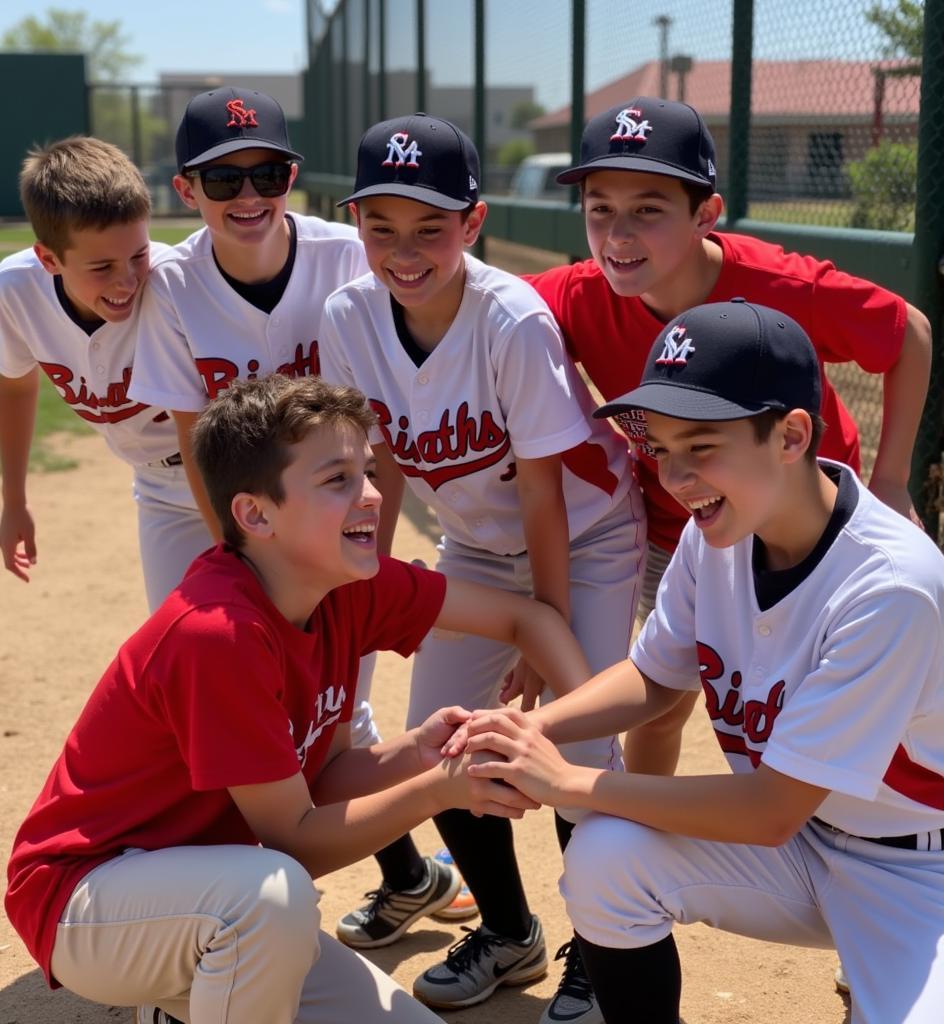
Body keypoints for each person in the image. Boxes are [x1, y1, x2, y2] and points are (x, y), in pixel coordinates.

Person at [4, 373, 597, 1024]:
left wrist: (423, 754)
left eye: (367, 472)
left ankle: (184, 1004)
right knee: (273, 897)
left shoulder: (343, 585)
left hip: (209, 897)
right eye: (337, 479)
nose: (373, 496)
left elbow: (523, 620)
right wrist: (437, 791)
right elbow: (295, 842)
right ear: (256, 515)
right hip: (88, 898)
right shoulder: (218, 633)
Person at [454, 299, 944, 1024]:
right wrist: (526, 732)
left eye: (703, 445)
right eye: (662, 447)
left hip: (916, 869)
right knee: (604, 857)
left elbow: (770, 809)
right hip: (801, 848)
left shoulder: (891, 585)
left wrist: (570, 781)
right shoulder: (720, 527)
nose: (677, 477)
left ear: (791, 434)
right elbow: (654, 678)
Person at [319, 112, 644, 1021]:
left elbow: (543, 495)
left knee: (576, 741)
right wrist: (364, 596)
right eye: (380, 227)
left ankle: (606, 948)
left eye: (430, 227)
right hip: (476, 546)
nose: (404, 250)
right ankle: (510, 931)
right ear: (356, 227)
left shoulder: (510, 319)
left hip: (582, 541)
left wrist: (541, 643)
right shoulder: (348, 316)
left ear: (473, 222)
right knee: (440, 737)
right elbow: (376, 465)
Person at [526, 96, 932, 778]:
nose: (618, 234)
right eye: (600, 209)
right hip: (681, 519)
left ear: (705, 216)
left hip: (804, 518)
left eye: (648, 209)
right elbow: (484, 305)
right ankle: (648, 843)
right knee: (662, 701)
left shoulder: (779, 285)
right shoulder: (578, 294)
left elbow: (908, 332)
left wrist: (891, 480)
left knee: (806, 696)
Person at [127, 85, 440, 927]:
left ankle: (398, 875)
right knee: (217, 687)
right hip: (195, 506)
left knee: (341, 696)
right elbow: (197, 439)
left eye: (267, 173)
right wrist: (243, 556)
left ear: (294, 175)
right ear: (185, 191)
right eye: (221, 182)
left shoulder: (347, 256)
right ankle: (201, 903)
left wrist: (360, 537)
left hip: (331, 500)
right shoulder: (172, 283)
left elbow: (378, 431)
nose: (249, 198)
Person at [0, 136, 211, 612]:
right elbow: (15, 385)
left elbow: (199, 424)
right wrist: (13, 502)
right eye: (102, 266)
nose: (127, 279)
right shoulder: (17, 288)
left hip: (229, 470)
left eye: (138, 255)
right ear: (48, 259)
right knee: (178, 643)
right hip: (157, 490)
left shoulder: (174, 282)